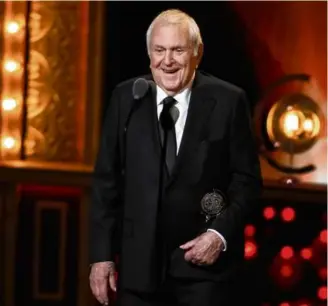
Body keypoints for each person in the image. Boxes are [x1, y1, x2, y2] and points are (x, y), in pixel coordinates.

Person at [89, 8, 262, 306]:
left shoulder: (228, 101)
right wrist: (101, 257)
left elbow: (247, 182)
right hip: (137, 272)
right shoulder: (126, 98)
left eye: (178, 50)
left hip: (202, 272)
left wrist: (218, 235)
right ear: (149, 53)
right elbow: (107, 183)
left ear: (197, 53)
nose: (167, 61)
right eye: (159, 50)